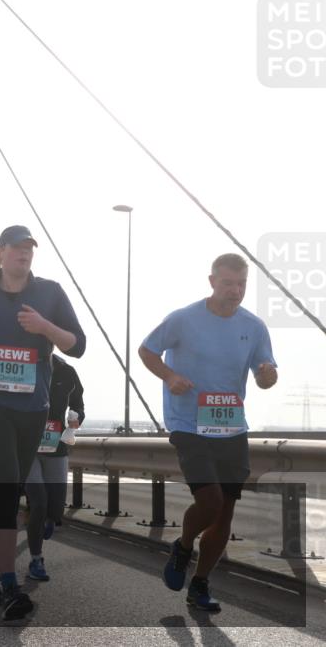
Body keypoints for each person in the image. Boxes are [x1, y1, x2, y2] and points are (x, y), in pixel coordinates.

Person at [0, 225, 85, 620]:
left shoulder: (51, 293)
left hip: (32, 406)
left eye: (29, 248)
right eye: (16, 248)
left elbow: (78, 345)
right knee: (8, 485)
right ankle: (11, 586)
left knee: (13, 490)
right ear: (0, 253)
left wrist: (46, 328)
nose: (24, 254)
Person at [140, 253, 277, 612]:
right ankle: (184, 545)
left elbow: (266, 376)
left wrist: (267, 375)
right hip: (189, 425)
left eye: (241, 284)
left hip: (232, 428)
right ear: (212, 281)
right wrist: (170, 376)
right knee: (211, 502)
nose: (235, 290)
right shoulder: (183, 319)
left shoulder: (254, 326)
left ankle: (200, 583)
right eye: (228, 283)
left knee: (225, 512)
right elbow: (147, 350)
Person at [23, 354, 85, 581]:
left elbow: (78, 403)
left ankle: (49, 518)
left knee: (55, 507)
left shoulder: (67, 372)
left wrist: (77, 418)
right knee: (38, 502)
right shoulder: (24, 363)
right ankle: (36, 559)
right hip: (27, 448)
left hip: (56, 446)